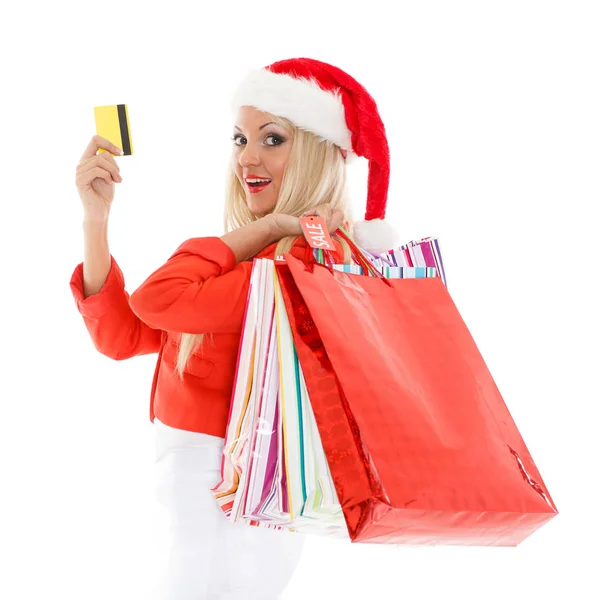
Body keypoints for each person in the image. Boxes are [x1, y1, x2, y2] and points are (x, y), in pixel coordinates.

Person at [70, 57, 396, 599]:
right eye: (240, 138)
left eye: (273, 139)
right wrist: (95, 222)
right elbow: (123, 337)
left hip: (243, 469)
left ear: (319, 151)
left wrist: (265, 229)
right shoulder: (247, 259)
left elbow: (157, 299)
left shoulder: (298, 265)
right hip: (212, 477)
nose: (247, 157)